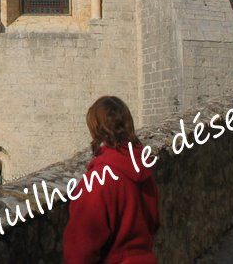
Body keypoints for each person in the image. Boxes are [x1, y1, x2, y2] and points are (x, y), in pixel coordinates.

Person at [63, 96, 160, 264]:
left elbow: (79, 249)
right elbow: (154, 222)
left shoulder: (100, 180)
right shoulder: (143, 168)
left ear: (96, 128)